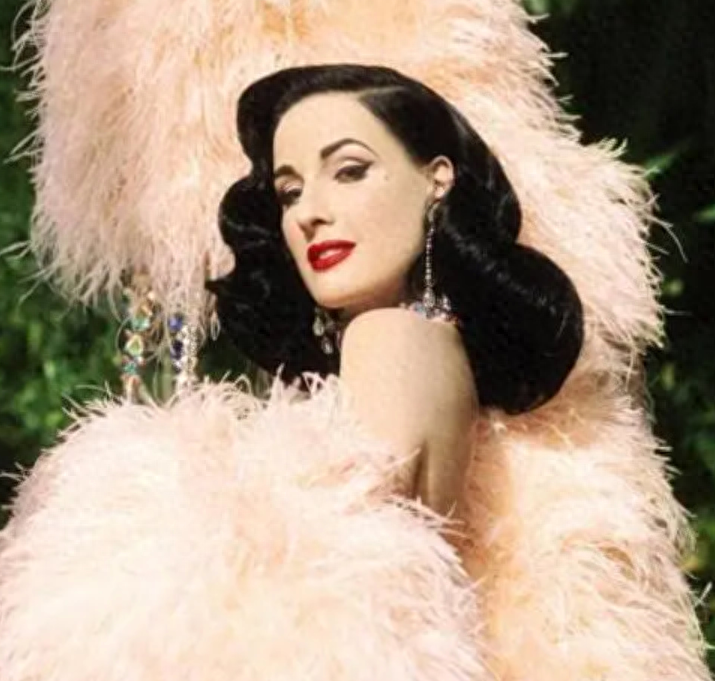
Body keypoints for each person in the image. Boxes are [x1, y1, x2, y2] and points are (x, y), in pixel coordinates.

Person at [206, 63, 584, 518]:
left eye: (349, 171)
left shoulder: (387, 338)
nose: (307, 213)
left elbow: (346, 552)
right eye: (291, 192)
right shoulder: (434, 342)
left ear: (437, 180)